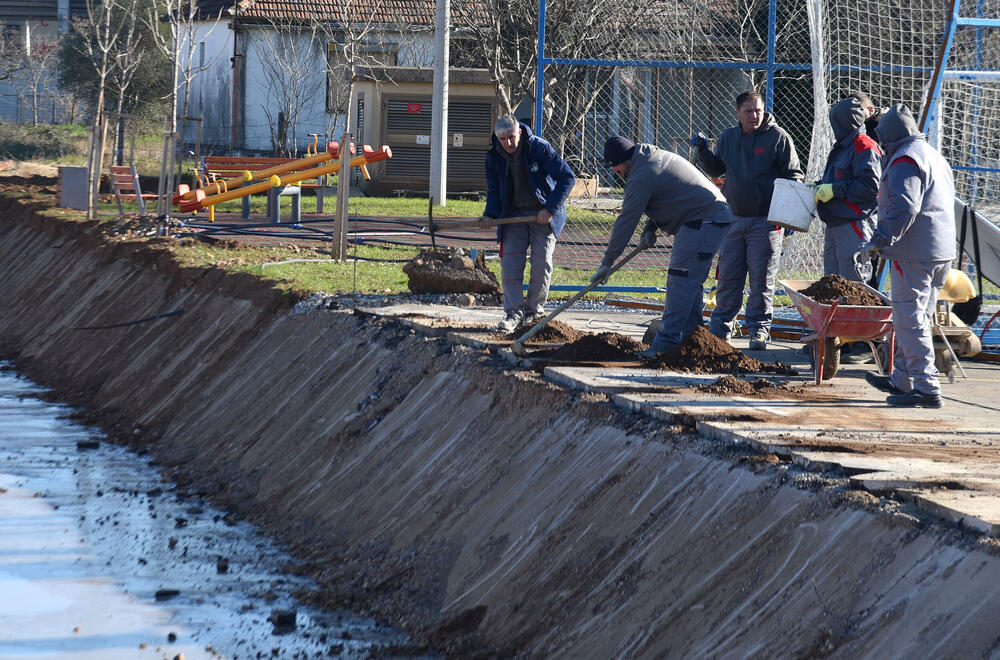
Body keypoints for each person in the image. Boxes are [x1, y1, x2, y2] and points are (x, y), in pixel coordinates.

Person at [592, 136, 732, 358]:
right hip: (706, 216)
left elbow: (625, 222)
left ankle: (665, 343)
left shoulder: (642, 175)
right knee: (690, 284)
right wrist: (651, 228)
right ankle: (691, 341)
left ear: (623, 160)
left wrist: (607, 262)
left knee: (680, 279)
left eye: (615, 166)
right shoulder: (651, 158)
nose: (615, 171)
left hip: (705, 219)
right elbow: (669, 194)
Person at [861, 104, 956, 408]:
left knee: (909, 320)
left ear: (888, 138)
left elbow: (905, 207)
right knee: (918, 317)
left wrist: (880, 239)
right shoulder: (932, 155)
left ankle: (927, 387)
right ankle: (902, 379)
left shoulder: (904, 160)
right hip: (939, 251)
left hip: (915, 254)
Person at [693, 90, 803, 350]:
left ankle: (759, 331)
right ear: (738, 113)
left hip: (766, 223)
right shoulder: (729, 138)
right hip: (733, 220)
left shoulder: (779, 138)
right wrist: (702, 152)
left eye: (758, 110)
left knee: (761, 281)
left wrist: (789, 214)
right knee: (728, 278)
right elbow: (717, 169)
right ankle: (720, 329)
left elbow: (794, 175)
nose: (754, 115)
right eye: (748, 111)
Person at [484, 114, 575, 333]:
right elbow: (494, 190)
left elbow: (567, 177)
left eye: (511, 137)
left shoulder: (539, 148)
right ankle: (514, 312)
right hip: (512, 215)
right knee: (510, 265)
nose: (508, 143)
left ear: (520, 133)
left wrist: (550, 208)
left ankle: (534, 312)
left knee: (541, 262)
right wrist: (490, 214)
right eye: (503, 139)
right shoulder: (493, 156)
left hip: (542, 214)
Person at [814, 96, 884, 364]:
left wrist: (835, 190)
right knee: (834, 283)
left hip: (855, 224)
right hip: (836, 223)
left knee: (856, 282)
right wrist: (821, 186)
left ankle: (867, 341)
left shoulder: (863, 146)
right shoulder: (843, 147)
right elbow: (839, 179)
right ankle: (840, 337)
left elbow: (871, 188)